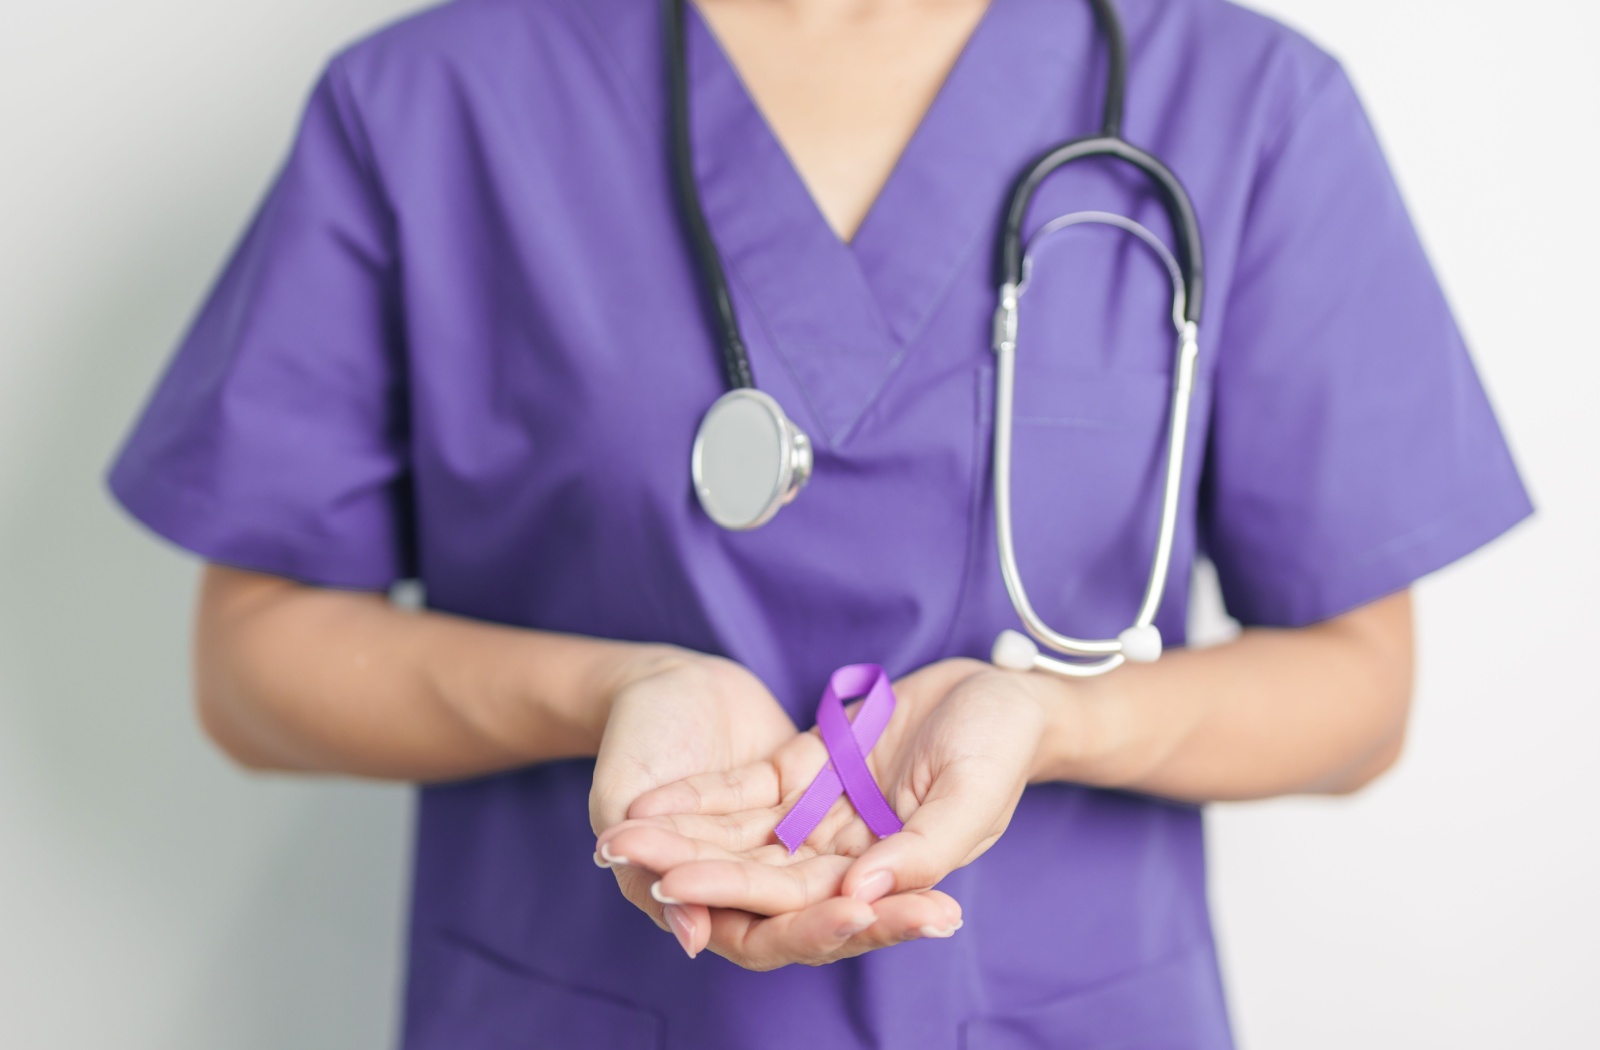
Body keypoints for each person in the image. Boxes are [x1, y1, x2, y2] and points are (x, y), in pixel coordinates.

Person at [108, 0, 1531, 1045]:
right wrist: (613, 688)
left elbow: (1360, 691)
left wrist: (1045, 719)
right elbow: (253, 666)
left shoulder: (1244, 103)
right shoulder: (431, 104)